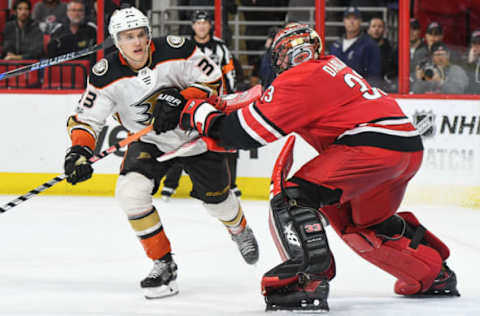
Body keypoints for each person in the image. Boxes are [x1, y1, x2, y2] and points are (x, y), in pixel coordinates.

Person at [154, 23, 460, 312]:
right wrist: (204, 101)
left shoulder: (298, 80)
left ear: (283, 56)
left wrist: (194, 112)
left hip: (372, 146)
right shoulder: (327, 66)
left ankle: (308, 279)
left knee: (293, 197)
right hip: (404, 147)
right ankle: (433, 272)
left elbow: (241, 134)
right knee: (360, 223)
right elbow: (254, 99)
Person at [62, 6, 259, 300]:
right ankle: (163, 263)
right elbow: (87, 120)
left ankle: (239, 228)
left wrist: (181, 98)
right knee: (130, 194)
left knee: (219, 202)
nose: (137, 43)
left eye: (141, 34)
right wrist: (78, 151)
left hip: (195, 135)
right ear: (117, 41)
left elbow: (214, 81)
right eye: (128, 37)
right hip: (150, 142)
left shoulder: (177, 49)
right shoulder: (104, 75)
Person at [160, 9, 241, 201]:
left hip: (216, 101)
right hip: (191, 101)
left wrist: (228, 97)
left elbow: (229, 72)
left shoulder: (220, 47)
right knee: (182, 140)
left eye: (205, 22)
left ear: (210, 25)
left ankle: (231, 184)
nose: (201, 26)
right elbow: (176, 72)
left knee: (224, 140)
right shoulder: (185, 46)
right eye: (198, 23)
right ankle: (170, 184)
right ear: (193, 26)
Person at [329, 6, 381, 85]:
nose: (351, 21)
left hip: (358, 92)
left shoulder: (370, 45)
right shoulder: (336, 45)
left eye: (355, 18)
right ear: (344, 21)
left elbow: (374, 76)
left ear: (360, 21)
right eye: (348, 18)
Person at [47, 0, 97, 66]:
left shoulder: (92, 29)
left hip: (86, 69)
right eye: (73, 10)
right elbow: (51, 55)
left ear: (84, 13)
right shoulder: (58, 31)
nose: (77, 13)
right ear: (67, 12)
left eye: (80, 10)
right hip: (63, 70)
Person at [367, 16, 396, 91]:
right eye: (373, 26)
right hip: (367, 87)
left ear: (384, 30)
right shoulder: (363, 50)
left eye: (380, 26)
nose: (376, 29)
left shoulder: (391, 50)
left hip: (386, 89)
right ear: (368, 30)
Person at [465, 29, 480, 93]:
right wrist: (470, 63)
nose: (477, 46)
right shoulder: (465, 58)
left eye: (479, 42)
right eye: (474, 43)